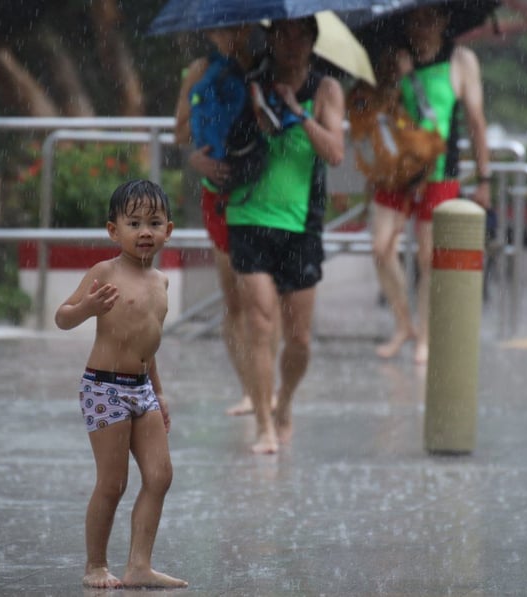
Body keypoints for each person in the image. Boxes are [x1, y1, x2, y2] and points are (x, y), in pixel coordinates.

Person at [54, 179, 187, 590]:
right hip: (104, 387)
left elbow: (148, 343)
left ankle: (139, 565)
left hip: (141, 387)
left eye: (154, 222)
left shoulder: (161, 282)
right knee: (113, 482)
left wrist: (159, 391)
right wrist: (87, 308)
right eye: (133, 223)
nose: (144, 231)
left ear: (169, 230)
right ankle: (95, 564)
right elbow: (62, 316)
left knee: (160, 475)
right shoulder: (105, 271)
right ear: (114, 230)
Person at [225, 16, 346, 454]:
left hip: (301, 225)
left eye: (301, 36)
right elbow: (220, 137)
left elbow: (334, 152)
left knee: (299, 340)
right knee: (259, 323)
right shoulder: (249, 82)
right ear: (271, 39)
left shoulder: (325, 90)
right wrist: (248, 121)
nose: (292, 44)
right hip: (249, 214)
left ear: (314, 42)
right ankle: (263, 425)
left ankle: (285, 402)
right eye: (284, 35)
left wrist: (297, 113)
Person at [368, 5, 492, 364]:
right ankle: (403, 323)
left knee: (428, 257)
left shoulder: (461, 61)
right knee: (381, 247)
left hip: (439, 171)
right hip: (396, 168)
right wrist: (392, 78)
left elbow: (475, 121)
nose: (420, 28)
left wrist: (484, 179)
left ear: (443, 20)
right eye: (414, 20)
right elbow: (374, 115)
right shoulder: (392, 57)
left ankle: (425, 334)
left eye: (429, 19)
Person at [174, 25, 270, 417]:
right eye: (220, 30)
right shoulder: (200, 70)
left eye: (235, 28)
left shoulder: (268, 66)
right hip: (220, 190)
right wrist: (196, 156)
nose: (228, 35)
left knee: (264, 300)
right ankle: (250, 390)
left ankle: (267, 387)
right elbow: (180, 130)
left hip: (264, 191)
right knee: (235, 299)